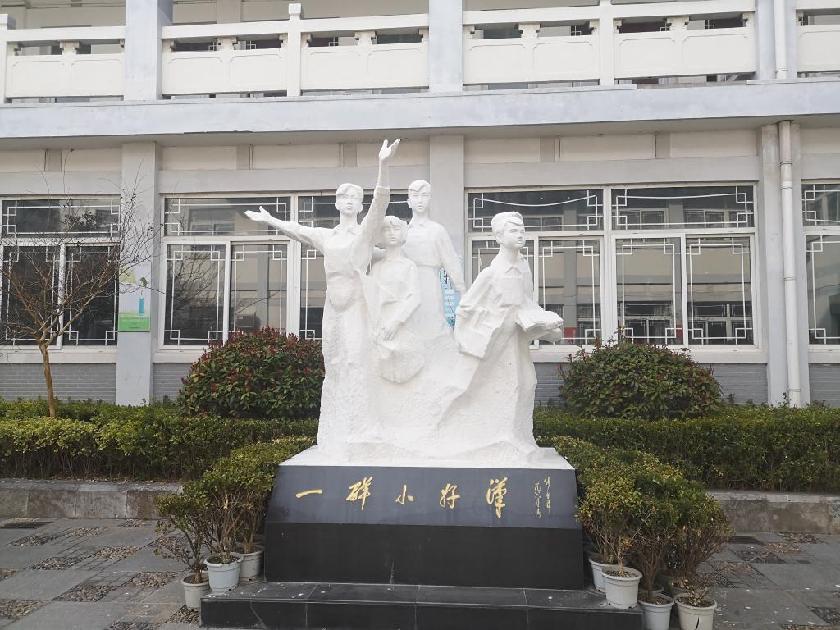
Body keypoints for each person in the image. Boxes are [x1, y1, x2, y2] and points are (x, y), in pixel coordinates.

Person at [244, 139, 400, 452]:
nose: (350, 201)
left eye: (355, 198)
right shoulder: (327, 236)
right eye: (345, 197)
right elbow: (297, 230)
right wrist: (270, 220)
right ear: (337, 203)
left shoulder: (365, 235)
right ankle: (337, 428)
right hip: (333, 305)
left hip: (357, 305)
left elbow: (380, 203)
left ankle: (363, 426)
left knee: (357, 362)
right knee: (334, 362)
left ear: (360, 205)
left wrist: (383, 165)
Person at [439, 211, 564, 458]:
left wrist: (545, 325)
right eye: (513, 230)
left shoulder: (523, 267)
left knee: (526, 383)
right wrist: (470, 338)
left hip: (515, 338)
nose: (520, 234)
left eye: (522, 229)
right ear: (498, 236)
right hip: (492, 341)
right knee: (466, 385)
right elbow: (466, 308)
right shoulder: (491, 273)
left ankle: (515, 436)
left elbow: (526, 302)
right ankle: (443, 427)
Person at [402, 180, 466, 340]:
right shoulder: (403, 231)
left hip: (429, 282)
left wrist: (461, 289)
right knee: (409, 325)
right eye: (415, 196)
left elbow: (450, 260)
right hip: (406, 283)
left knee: (432, 323)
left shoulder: (437, 230)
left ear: (430, 199)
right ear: (409, 201)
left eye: (424, 195)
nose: (420, 200)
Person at [368, 216, 423, 384]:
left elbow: (415, 297)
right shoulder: (376, 268)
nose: (391, 233)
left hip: (402, 326)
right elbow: (371, 299)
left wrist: (397, 322)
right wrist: (376, 326)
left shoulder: (408, 266)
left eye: (396, 229)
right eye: (386, 229)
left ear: (403, 233)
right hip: (381, 328)